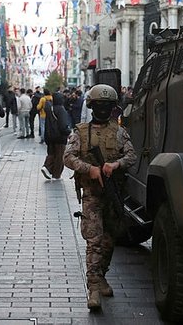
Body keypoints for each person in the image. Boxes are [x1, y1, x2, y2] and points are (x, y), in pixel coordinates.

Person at [63, 84, 137, 310]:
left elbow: (131, 156)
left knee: (109, 240)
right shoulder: (80, 132)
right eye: (99, 105)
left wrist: (115, 164)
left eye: (107, 106)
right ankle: (93, 288)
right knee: (94, 241)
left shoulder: (119, 132)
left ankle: (101, 276)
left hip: (113, 193)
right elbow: (68, 157)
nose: (103, 109)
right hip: (92, 195)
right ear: (92, 106)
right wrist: (89, 169)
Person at [41, 92, 71, 181]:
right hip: (59, 137)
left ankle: (46, 167)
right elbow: (63, 125)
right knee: (59, 156)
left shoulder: (50, 108)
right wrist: (68, 132)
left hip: (50, 136)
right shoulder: (61, 110)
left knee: (52, 153)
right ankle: (56, 175)